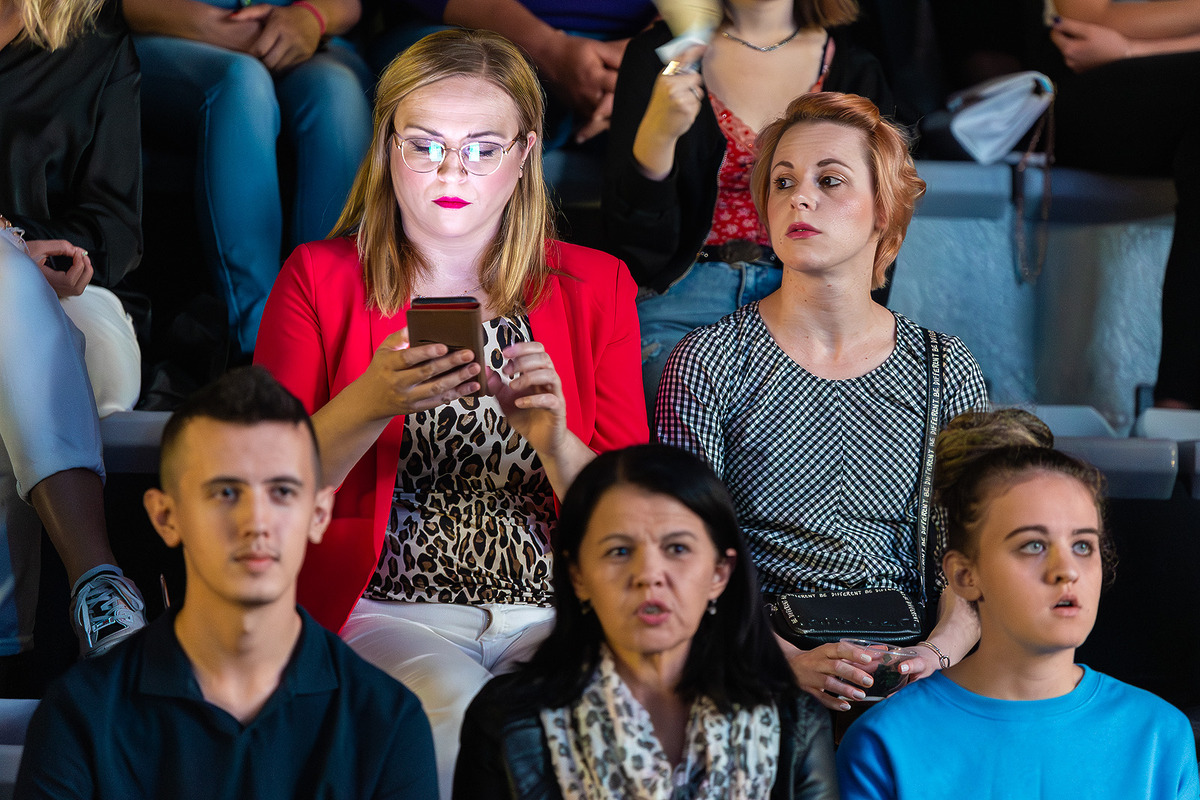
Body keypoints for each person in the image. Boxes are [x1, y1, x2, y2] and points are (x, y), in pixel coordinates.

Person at [253, 28, 647, 798]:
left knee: (585, 725)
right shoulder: (319, 278)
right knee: (459, 718)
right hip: (390, 610)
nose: (452, 171)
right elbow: (267, 487)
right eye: (426, 144)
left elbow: (635, 518)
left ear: (525, 154)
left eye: (482, 148)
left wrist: (555, 441)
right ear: (387, 147)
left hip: (556, 609)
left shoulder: (596, 285)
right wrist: (371, 402)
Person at [656, 92, 990, 713]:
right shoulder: (709, 361)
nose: (799, 198)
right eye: (782, 182)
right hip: (752, 662)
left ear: (884, 208)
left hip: (908, 667)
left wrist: (933, 654)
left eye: (829, 180)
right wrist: (785, 662)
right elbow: (685, 553)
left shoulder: (945, 368)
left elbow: (971, 556)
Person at [14, 366, 439, 799]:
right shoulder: (82, 715)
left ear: (318, 515)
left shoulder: (387, 722)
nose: (256, 522)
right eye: (226, 493)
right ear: (166, 516)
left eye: (282, 492)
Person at [836, 408, 1200, 798]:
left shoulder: (1160, 737)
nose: (1066, 570)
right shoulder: (884, 744)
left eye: (1082, 545)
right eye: (1033, 545)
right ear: (965, 575)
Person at [454, 444, 838, 800]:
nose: (649, 574)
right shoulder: (508, 723)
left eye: (677, 548)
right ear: (578, 575)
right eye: (619, 551)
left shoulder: (794, 725)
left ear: (720, 573)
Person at [603, 0, 895, 414]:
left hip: (811, 300)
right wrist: (657, 139)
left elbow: (879, 219)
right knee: (675, 402)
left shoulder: (856, 68)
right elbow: (633, 249)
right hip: (681, 297)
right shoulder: (660, 54)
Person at [0, 0, 146, 671]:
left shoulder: (94, 38)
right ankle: (98, 582)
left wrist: (44, 256)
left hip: (71, 297)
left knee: (61, 354)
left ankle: (15, 650)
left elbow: (116, 224)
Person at [123, 0, 373, 358]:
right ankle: (262, 344)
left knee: (337, 91)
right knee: (241, 82)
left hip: (300, 37)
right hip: (175, 32)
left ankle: (335, 334)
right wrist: (215, 27)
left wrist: (313, 17)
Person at [1019, 1, 1200, 408]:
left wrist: (1137, 49)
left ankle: (1179, 404)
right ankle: (1179, 402)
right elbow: (1091, 16)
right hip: (1078, 83)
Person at [366, 0, 657, 147]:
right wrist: (549, 50)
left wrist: (641, 58)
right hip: (469, 28)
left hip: (637, 43)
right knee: (464, 87)